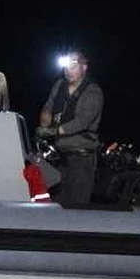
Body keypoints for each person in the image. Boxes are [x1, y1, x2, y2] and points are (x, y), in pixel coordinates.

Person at [36, 52, 103, 207]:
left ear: (84, 67)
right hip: (58, 157)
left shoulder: (93, 91)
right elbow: (48, 107)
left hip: (81, 159)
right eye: (66, 66)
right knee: (54, 203)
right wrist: (44, 127)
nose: (68, 70)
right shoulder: (59, 85)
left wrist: (55, 131)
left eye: (73, 66)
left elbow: (82, 122)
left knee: (76, 207)